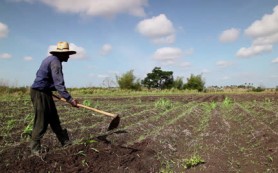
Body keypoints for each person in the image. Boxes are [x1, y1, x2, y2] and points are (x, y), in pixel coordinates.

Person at [30, 41, 78, 155]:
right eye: (67, 54)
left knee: (54, 118)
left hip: (45, 92)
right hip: (39, 93)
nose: (69, 56)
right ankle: (35, 149)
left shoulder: (50, 59)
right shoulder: (56, 62)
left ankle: (65, 142)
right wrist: (70, 99)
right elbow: (59, 84)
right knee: (41, 121)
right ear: (61, 54)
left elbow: (42, 76)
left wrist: (48, 89)